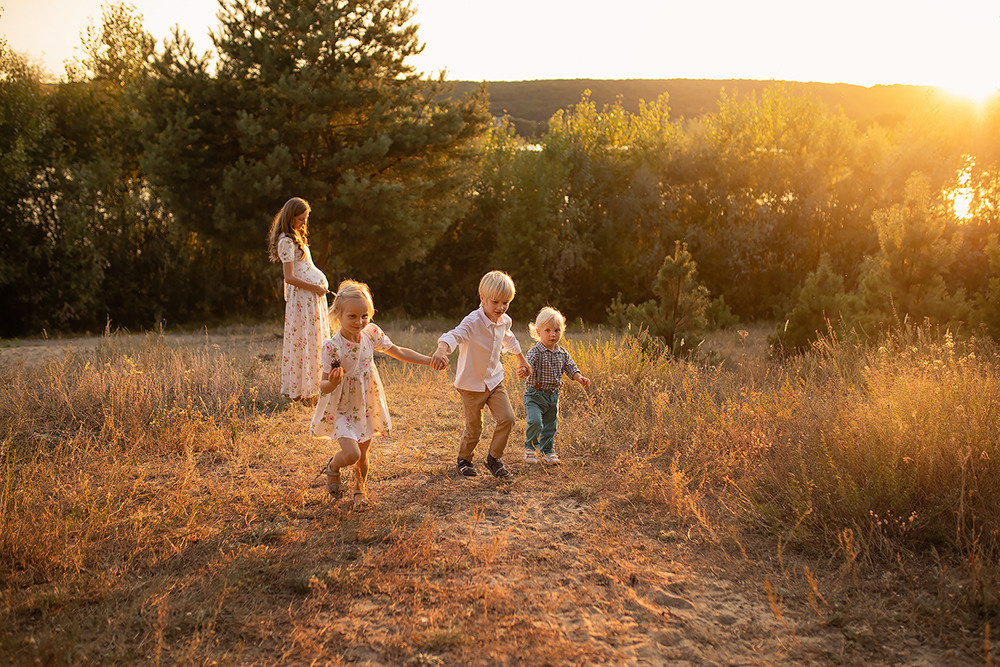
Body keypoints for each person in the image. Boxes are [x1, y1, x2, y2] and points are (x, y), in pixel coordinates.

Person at [310, 280, 436, 509]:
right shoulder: (332, 346)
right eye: (352, 316)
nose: (359, 322)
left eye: (364, 316)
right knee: (350, 453)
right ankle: (333, 466)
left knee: (363, 454)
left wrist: (428, 360)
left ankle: (360, 490)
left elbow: (397, 351)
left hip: (367, 401)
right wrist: (333, 382)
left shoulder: (371, 333)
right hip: (342, 404)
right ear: (338, 314)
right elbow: (323, 385)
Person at [431, 270, 531, 479]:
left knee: (508, 418)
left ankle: (493, 458)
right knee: (475, 427)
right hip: (471, 384)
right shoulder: (472, 321)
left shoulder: (504, 320)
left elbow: (509, 339)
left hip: (495, 381)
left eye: (506, 303)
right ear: (482, 299)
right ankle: (464, 459)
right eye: (495, 302)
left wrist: (521, 359)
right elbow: (453, 335)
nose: (501, 308)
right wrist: (441, 350)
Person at [267, 197, 331, 402]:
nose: (304, 222)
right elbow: (290, 277)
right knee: (305, 340)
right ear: (290, 217)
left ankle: (314, 387)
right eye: (301, 218)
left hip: (311, 297)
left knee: (314, 339)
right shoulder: (286, 241)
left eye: (306, 218)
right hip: (304, 298)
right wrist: (315, 288)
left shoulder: (296, 237)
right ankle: (301, 391)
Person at [522, 307, 591, 465]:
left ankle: (547, 451)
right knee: (535, 421)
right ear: (538, 332)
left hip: (553, 396)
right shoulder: (535, 352)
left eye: (556, 330)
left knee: (550, 425)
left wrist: (580, 377)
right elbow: (528, 364)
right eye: (547, 330)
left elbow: (570, 368)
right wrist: (524, 369)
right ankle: (530, 448)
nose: (552, 334)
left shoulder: (562, 353)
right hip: (535, 395)